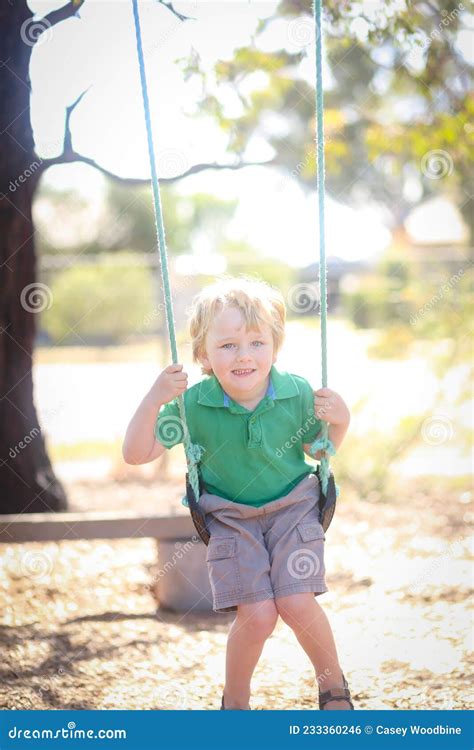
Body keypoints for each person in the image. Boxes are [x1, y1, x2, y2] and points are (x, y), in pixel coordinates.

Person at [122, 276, 354, 711]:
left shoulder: (297, 392)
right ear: (203, 354)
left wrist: (340, 422)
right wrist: (155, 397)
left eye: (256, 342)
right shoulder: (193, 406)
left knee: (296, 600)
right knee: (259, 613)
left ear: (275, 345)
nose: (244, 355)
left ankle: (333, 686)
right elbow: (136, 454)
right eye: (227, 345)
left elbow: (319, 451)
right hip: (229, 519)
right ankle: (237, 702)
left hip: (294, 510)